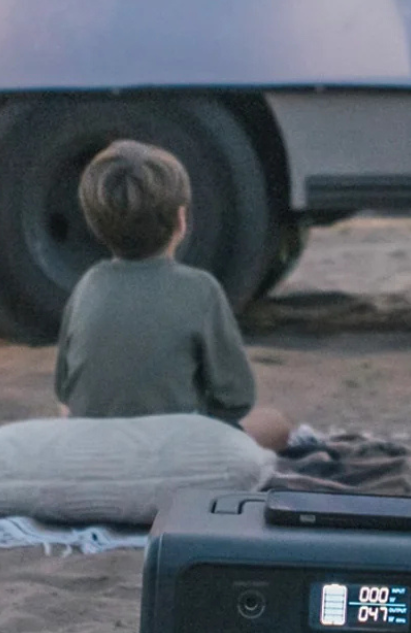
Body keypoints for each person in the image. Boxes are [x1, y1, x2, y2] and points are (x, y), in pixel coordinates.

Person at [55, 139, 292, 451]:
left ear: (94, 225)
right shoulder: (201, 289)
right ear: (181, 221)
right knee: (275, 423)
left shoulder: (87, 286)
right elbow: (237, 399)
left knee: (63, 414)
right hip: (178, 455)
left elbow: (64, 390)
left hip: (100, 454)